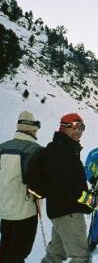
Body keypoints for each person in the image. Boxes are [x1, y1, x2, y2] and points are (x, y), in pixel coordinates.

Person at [41, 113, 93, 263]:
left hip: (61, 211)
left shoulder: (67, 149)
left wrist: (88, 197)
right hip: (68, 212)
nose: (79, 131)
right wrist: (89, 199)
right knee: (81, 256)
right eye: (75, 126)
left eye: (82, 127)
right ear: (64, 127)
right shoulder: (59, 150)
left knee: (55, 255)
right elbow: (66, 185)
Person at [0, 111, 42, 263]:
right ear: (32, 129)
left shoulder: (2, 148)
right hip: (25, 212)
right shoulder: (35, 150)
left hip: (4, 210)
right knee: (20, 252)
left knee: (5, 248)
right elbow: (38, 184)